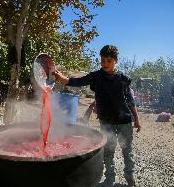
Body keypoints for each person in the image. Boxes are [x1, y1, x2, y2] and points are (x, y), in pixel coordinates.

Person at [54, 45, 141, 187]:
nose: (105, 64)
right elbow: (77, 81)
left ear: (116, 61)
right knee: (108, 152)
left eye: (108, 61)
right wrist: (61, 78)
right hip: (106, 121)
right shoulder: (96, 76)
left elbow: (131, 101)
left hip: (124, 121)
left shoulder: (123, 79)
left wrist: (136, 120)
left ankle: (129, 176)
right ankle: (109, 178)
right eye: (102, 61)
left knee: (127, 150)